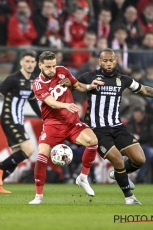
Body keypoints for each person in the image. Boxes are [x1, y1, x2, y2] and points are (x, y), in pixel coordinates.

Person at [77, 48, 153, 204]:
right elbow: (74, 85)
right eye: (105, 60)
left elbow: (144, 90)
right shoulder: (89, 77)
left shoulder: (123, 79)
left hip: (117, 127)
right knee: (118, 160)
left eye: (111, 60)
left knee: (139, 159)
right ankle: (129, 197)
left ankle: (118, 174)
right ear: (100, 62)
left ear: (116, 61)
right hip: (97, 130)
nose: (108, 63)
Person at [29, 51, 103, 204]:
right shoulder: (37, 84)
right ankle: (38, 196)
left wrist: (90, 86)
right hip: (53, 124)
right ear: (40, 66)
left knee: (93, 141)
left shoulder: (62, 71)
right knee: (41, 157)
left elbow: (77, 86)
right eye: (48, 67)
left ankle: (82, 177)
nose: (52, 70)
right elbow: (51, 102)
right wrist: (66, 105)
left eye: (54, 65)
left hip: (71, 122)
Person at [0, 50, 41, 194]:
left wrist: (43, 116)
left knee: (17, 155)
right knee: (29, 150)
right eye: (27, 61)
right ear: (21, 63)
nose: (30, 64)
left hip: (18, 120)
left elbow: (32, 101)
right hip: (9, 119)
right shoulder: (13, 79)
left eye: (32, 62)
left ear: (35, 63)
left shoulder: (32, 81)